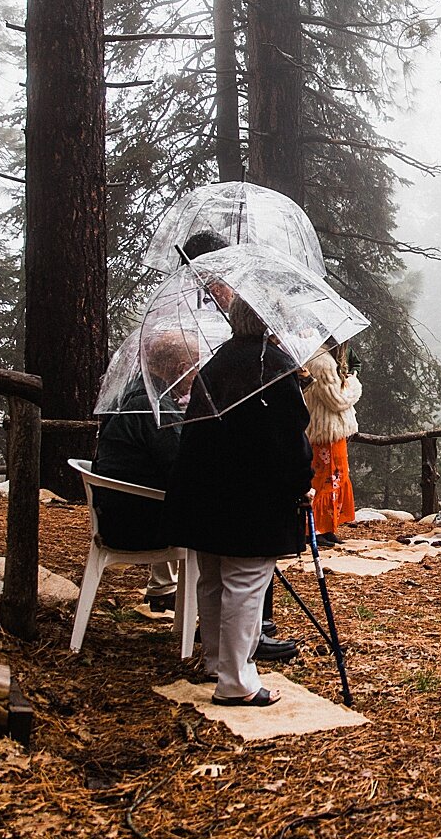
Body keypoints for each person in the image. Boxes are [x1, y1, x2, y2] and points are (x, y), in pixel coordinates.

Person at [165, 298, 312, 707]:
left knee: (212, 579)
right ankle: (236, 681)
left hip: (202, 490)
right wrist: (302, 482)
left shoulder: (216, 364)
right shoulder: (272, 367)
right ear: (269, 323)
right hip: (250, 497)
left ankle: (215, 661)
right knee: (246, 584)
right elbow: (289, 437)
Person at [92, 330, 198, 612]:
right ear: (180, 368)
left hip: (121, 513)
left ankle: (196, 601)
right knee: (218, 521)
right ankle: (220, 613)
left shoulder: (137, 395)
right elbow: (181, 467)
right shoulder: (152, 407)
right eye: (196, 366)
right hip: (138, 524)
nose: (197, 375)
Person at [303, 343, 362, 547]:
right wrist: (354, 385)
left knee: (336, 477)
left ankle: (327, 527)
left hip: (330, 430)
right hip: (326, 430)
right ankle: (315, 529)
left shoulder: (320, 358)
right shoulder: (323, 363)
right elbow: (336, 401)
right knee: (325, 480)